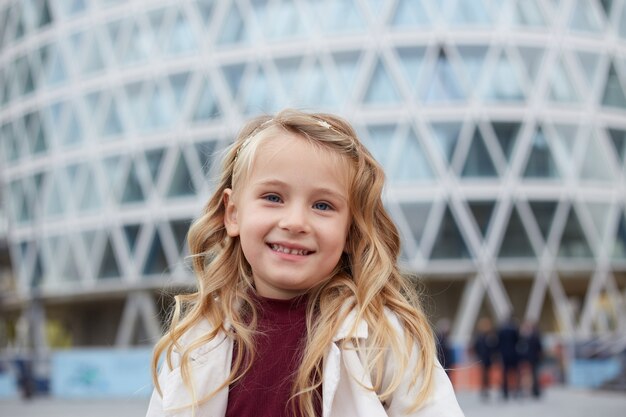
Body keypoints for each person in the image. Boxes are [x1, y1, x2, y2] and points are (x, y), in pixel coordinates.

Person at [146, 109, 464, 417]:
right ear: (233, 214)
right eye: (273, 197)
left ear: (351, 231)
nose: (296, 222)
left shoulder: (385, 338)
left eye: (322, 205)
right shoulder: (195, 340)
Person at [471, 317, 497, 400]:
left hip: (488, 358)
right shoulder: (479, 337)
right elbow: (476, 347)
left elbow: (493, 347)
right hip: (482, 358)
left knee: (487, 374)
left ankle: (487, 389)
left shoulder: (490, 336)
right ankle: (484, 389)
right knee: (483, 374)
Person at [497, 315, 521, 400]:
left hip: (504, 355)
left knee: (505, 374)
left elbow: (498, 342)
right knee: (516, 373)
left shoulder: (501, 330)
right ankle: (517, 390)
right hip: (514, 354)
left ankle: (505, 391)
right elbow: (518, 340)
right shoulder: (514, 329)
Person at [518, 320, 543, 398]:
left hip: (533, 359)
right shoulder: (524, 337)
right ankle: (525, 389)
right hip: (526, 359)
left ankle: (535, 390)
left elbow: (539, 348)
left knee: (534, 374)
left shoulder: (535, 336)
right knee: (525, 375)